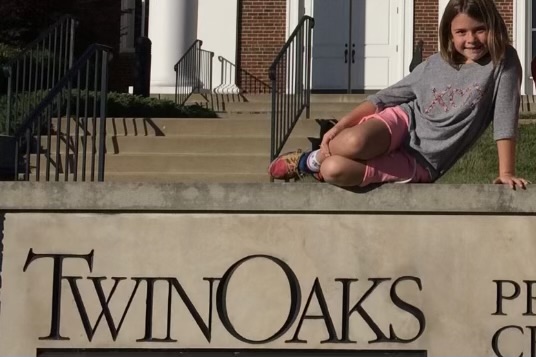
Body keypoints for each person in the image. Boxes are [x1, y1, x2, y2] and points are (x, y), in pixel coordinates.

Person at [269, 0, 529, 190]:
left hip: (423, 161)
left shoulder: (502, 61)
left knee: (333, 169)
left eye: (479, 29)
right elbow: (384, 98)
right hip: (403, 123)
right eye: (461, 32)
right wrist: (340, 127)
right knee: (352, 143)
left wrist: (506, 172)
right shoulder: (435, 64)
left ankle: (313, 163)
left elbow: (505, 118)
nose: (471, 39)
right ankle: (308, 158)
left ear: (493, 26)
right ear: (449, 34)